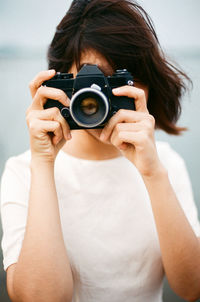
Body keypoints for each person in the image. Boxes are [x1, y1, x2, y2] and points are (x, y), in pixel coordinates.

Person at [1, 0, 200, 301]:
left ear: (142, 85)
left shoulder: (165, 163)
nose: (98, 97)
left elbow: (192, 287)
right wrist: (43, 162)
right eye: (89, 81)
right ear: (60, 84)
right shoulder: (23, 170)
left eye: (116, 79)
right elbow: (41, 297)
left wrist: (153, 173)